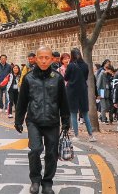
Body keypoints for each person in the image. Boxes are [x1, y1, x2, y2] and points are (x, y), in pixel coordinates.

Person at [14, 45, 70, 194]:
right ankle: (35, 180)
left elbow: (63, 101)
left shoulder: (57, 78)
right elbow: (22, 102)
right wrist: (18, 120)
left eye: (47, 58)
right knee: (36, 150)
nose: (44, 61)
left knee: (51, 153)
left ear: (52, 59)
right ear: (35, 59)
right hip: (34, 121)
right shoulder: (28, 78)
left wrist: (66, 121)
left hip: (52, 122)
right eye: (41, 57)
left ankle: (47, 183)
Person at [64, 48, 95, 141]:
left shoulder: (70, 66)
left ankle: (76, 135)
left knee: (73, 113)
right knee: (85, 114)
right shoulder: (85, 65)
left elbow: (66, 78)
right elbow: (85, 77)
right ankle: (91, 135)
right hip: (83, 91)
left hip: (72, 91)